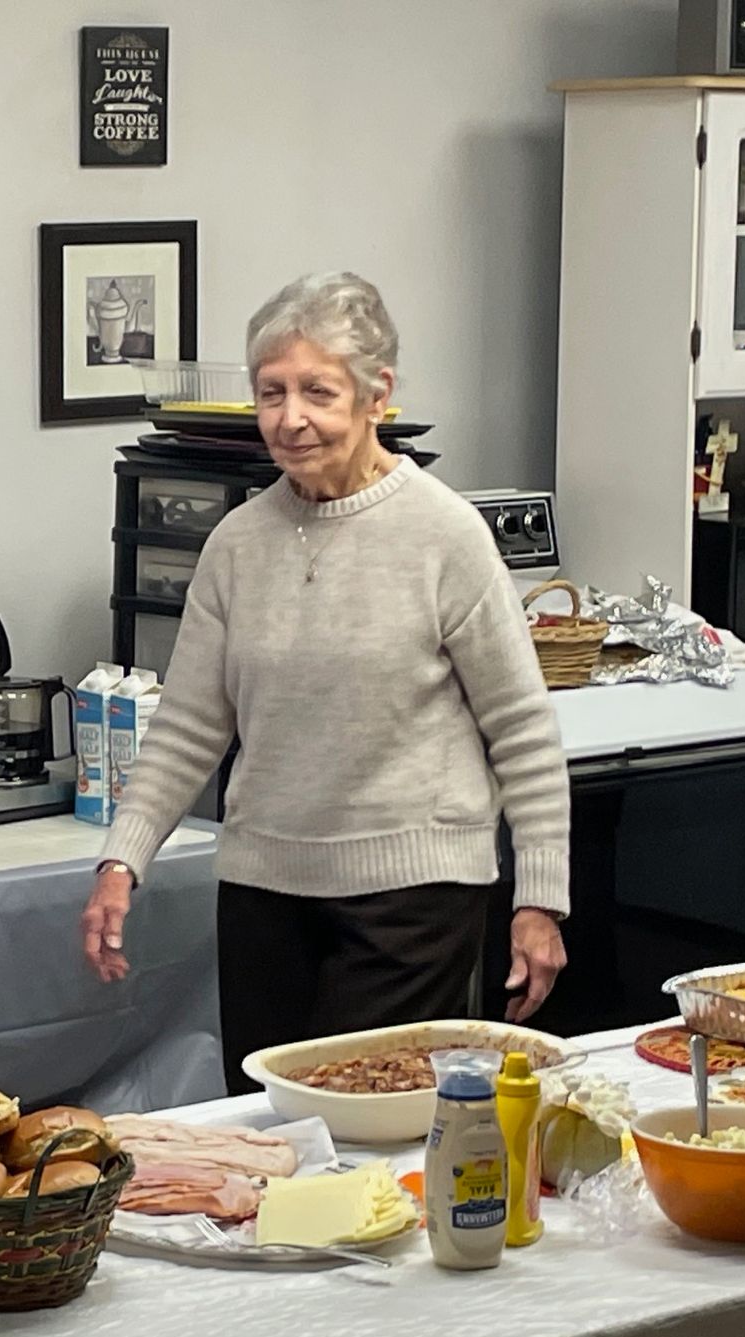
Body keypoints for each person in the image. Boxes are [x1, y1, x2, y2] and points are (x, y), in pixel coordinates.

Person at [81, 272, 570, 1093]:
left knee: (372, 1145)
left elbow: (521, 728)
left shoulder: (445, 535)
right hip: (265, 893)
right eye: (272, 393)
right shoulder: (237, 544)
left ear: (379, 394)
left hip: (415, 901)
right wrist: (121, 862)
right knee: (273, 1135)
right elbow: (191, 724)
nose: (291, 417)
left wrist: (540, 899)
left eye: (317, 391)